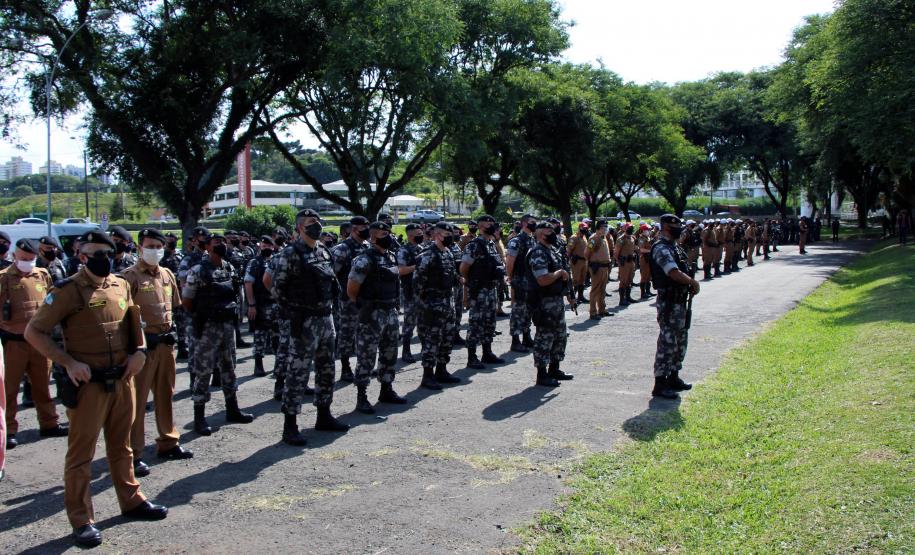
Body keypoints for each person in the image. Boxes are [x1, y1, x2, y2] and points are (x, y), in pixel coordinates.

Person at [24, 230, 167, 548]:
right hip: (88, 385)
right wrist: (67, 362)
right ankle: (81, 519)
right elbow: (34, 331)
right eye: (94, 254)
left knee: (123, 447)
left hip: (122, 380)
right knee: (81, 455)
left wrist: (139, 352)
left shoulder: (120, 284)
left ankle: (131, 500)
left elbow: (135, 323)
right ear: (82, 256)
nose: (102, 259)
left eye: (107, 252)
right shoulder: (67, 290)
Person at [270, 209, 349, 445]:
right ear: (299, 228)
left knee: (327, 369)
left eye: (317, 221)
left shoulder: (324, 251)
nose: (317, 225)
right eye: (310, 222)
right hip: (303, 321)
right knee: (297, 373)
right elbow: (276, 288)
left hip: (326, 319)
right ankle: (290, 425)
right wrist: (294, 313)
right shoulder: (290, 254)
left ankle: (323, 415)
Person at [120, 229, 193, 477]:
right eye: (149, 246)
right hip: (143, 348)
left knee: (165, 394)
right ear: (140, 247)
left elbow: (174, 308)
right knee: (138, 401)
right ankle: (134, 453)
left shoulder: (167, 274)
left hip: (165, 345)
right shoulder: (128, 277)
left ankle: (168, 441)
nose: (154, 250)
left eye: (158, 246)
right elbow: (122, 318)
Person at [182, 233, 254, 436]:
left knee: (229, 367)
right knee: (203, 371)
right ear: (207, 247)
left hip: (226, 326)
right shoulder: (198, 270)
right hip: (207, 327)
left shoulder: (228, 267)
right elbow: (187, 300)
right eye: (216, 243)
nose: (221, 245)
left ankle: (232, 409)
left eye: (223, 242)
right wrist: (201, 316)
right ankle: (200, 418)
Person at [1, 238, 69, 449]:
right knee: (10, 389)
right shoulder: (3, 278)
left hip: (40, 341)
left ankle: (49, 423)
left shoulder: (42, 275)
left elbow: (52, 303)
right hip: (14, 342)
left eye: (31, 259)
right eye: (23, 259)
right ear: (14, 256)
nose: (27, 263)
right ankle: (9, 429)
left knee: (42, 386)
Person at [347, 221, 409, 414]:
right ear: (372, 237)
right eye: (383, 234)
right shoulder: (364, 259)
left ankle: (386, 389)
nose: (388, 237)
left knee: (389, 353)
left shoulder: (390, 257)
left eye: (388, 233)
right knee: (366, 355)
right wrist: (365, 306)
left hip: (390, 311)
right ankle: (362, 396)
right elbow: (351, 289)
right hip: (372, 314)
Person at [648, 215, 701, 400]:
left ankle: (673, 376)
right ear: (664, 227)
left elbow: (683, 269)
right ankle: (660, 383)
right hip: (669, 302)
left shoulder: (675, 247)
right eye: (675, 226)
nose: (679, 228)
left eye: (680, 225)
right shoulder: (661, 248)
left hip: (680, 300)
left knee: (680, 341)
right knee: (667, 342)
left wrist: (688, 285)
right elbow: (672, 272)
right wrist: (692, 282)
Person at [414, 221, 461, 389]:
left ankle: (442, 370)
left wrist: (457, 279)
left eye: (451, 235)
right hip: (432, 304)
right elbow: (417, 283)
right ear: (436, 235)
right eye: (447, 235)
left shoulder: (447, 252)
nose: (450, 238)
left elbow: (452, 273)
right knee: (431, 340)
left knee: (447, 338)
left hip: (448, 302)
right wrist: (425, 303)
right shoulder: (427, 255)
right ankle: (428, 376)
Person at [526, 222, 573, 387]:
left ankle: (554, 368)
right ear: (540, 234)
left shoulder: (552, 251)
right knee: (544, 337)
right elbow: (543, 279)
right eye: (549, 231)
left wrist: (568, 293)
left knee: (560, 336)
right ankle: (542, 374)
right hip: (544, 302)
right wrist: (560, 273)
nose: (553, 233)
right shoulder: (538, 252)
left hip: (556, 300)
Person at [460, 216, 507, 369]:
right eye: (488, 223)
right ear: (480, 227)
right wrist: (470, 285)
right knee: (475, 324)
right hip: (479, 290)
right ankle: (472, 357)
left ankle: (487, 353)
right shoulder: (474, 245)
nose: (492, 225)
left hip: (491, 289)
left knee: (489, 322)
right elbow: (464, 268)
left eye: (493, 223)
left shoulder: (491, 243)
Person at [332, 216, 370, 382]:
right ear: (354, 229)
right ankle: (345, 367)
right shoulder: (342, 249)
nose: (366, 230)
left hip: (366, 297)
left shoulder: (368, 246)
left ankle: (362, 366)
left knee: (365, 334)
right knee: (347, 333)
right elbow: (331, 274)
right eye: (363, 227)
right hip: (348, 299)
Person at [245, 236, 279, 377]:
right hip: (261, 304)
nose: (266, 248)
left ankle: (279, 365)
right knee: (260, 335)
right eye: (263, 246)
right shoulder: (255, 262)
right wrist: (251, 304)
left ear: (273, 247)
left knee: (278, 335)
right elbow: (248, 283)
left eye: (268, 246)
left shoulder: (277, 260)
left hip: (276, 304)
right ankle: (258, 365)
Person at [506, 214, 538, 352]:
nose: (534, 225)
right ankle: (515, 341)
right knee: (518, 311)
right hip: (520, 279)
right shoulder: (517, 241)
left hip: (530, 281)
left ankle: (526, 337)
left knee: (528, 310)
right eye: (532, 222)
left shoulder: (532, 239)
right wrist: (512, 278)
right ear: (524, 224)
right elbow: (510, 262)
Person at [397, 224, 424, 363]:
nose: (421, 235)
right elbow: (401, 270)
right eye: (418, 233)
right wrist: (417, 266)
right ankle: (406, 351)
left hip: (423, 290)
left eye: (421, 232)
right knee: (409, 323)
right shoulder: (404, 251)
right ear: (410, 236)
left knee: (424, 322)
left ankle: (424, 348)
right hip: (411, 290)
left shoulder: (422, 248)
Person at [615, 224, 638, 306]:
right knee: (623, 281)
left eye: (632, 227)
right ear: (625, 228)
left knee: (629, 280)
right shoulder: (621, 239)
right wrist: (619, 262)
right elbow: (616, 252)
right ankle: (622, 300)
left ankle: (628, 297)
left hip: (631, 261)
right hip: (624, 262)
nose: (631, 229)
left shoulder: (632, 237)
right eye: (629, 228)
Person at [567, 223, 589, 304]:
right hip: (577, 262)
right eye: (584, 228)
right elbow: (568, 250)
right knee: (575, 280)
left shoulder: (584, 237)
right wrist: (568, 260)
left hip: (584, 261)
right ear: (579, 228)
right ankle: (573, 298)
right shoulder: (574, 238)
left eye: (586, 228)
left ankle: (581, 297)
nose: (586, 229)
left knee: (582, 280)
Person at [637, 223, 655, 299]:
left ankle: (648, 291)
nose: (649, 231)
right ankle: (643, 293)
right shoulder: (641, 239)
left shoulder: (648, 238)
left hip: (649, 259)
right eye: (648, 230)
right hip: (644, 259)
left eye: (649, 230)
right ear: (643, 231)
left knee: (649, 276)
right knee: (644, 276)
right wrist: (651, 251)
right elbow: (641, 249)